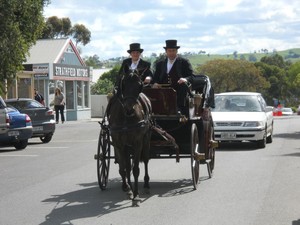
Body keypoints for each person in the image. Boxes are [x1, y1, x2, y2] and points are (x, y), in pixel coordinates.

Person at [152, 39, 194, 114]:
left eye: (173, 50)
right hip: (163, 89)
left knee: (183, 85)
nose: (171, 53)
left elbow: (192, 76)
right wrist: (155, 83)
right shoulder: (160, 64)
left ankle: (179, 108)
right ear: (166, 52)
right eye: (169, 51)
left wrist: (185, 79)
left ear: (176, 51)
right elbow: (155, 77)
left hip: (179, 88)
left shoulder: (184, 62)